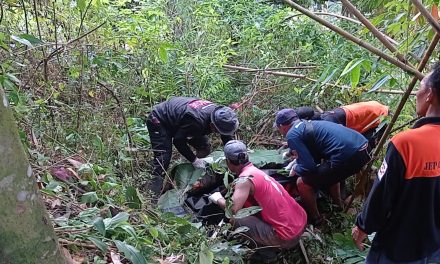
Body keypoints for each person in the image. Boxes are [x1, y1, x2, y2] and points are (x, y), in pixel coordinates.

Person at [352, 63, 440, 263]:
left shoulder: (407, 143)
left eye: (420, 88)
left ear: (430, 94)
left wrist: (363, 226)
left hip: (398, 249)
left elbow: (382, 196)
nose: (416, 94)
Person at [208, 140, 306, 256]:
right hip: (300, 222)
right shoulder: (256, 172)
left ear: (228, 161)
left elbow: (232, 209)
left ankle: (266, 251)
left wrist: (217, 199)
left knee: (235, 219)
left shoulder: (245, 179)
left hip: (287, 236)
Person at [275, 109, 369, 224]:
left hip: (348, 156)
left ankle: (317, 219)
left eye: (278, 129)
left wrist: (296, 168)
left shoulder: (292, 134)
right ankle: (339, 205)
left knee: (302, 183)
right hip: (364, 149)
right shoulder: (309, 123)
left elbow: (308, 167)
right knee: (328, 171)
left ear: (282, 126)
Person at [146, 97, 239, 196]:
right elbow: (178, 141)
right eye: (217, 131)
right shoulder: (197, 121)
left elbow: (226, 136)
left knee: (204, 146)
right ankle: (153, 193)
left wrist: (234, 153)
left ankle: (195, 177)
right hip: (160, 119)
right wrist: (194, 160)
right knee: (163, 159)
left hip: (183, 121)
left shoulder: (221, 116)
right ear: (212, 126)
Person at [294, 101, 389, 149]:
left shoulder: (329, 121)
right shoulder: (326, 117)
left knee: (365, 148)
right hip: (373, 109)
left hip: (380, 116)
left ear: (306, 119)